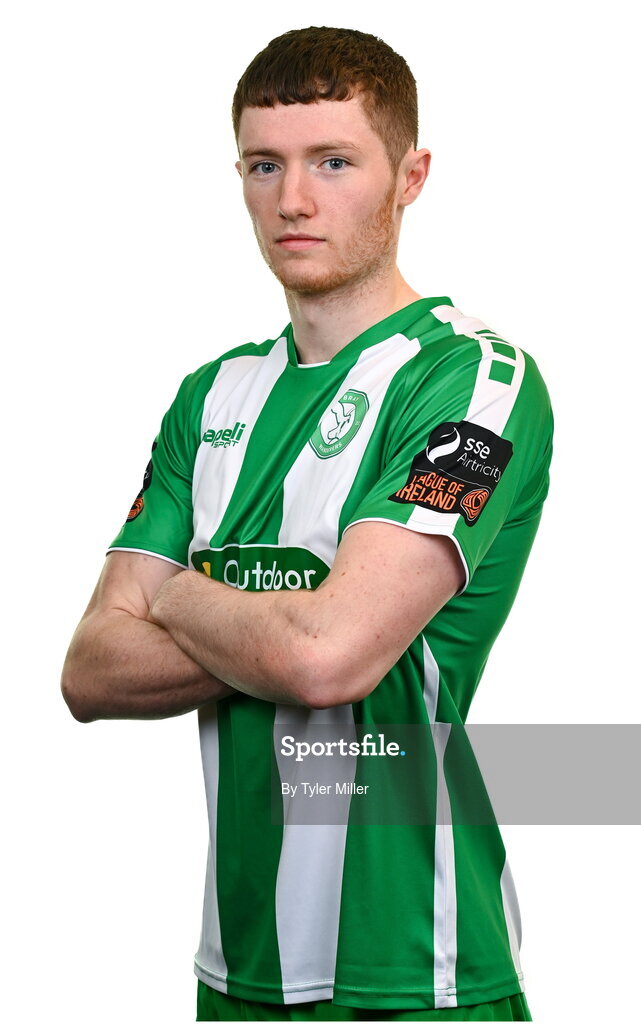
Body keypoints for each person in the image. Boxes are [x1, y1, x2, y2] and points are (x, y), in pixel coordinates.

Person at [61, 25, 552, 1023]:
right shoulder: (210, 399)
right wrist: (297, 625)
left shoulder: (475, 386)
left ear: (408, 176)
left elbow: (328, 663)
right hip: (237, 967)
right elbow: (90, 668)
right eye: (264, 164)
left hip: (418, 971)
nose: (292, 199)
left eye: (333, 162)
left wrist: (183, 592)